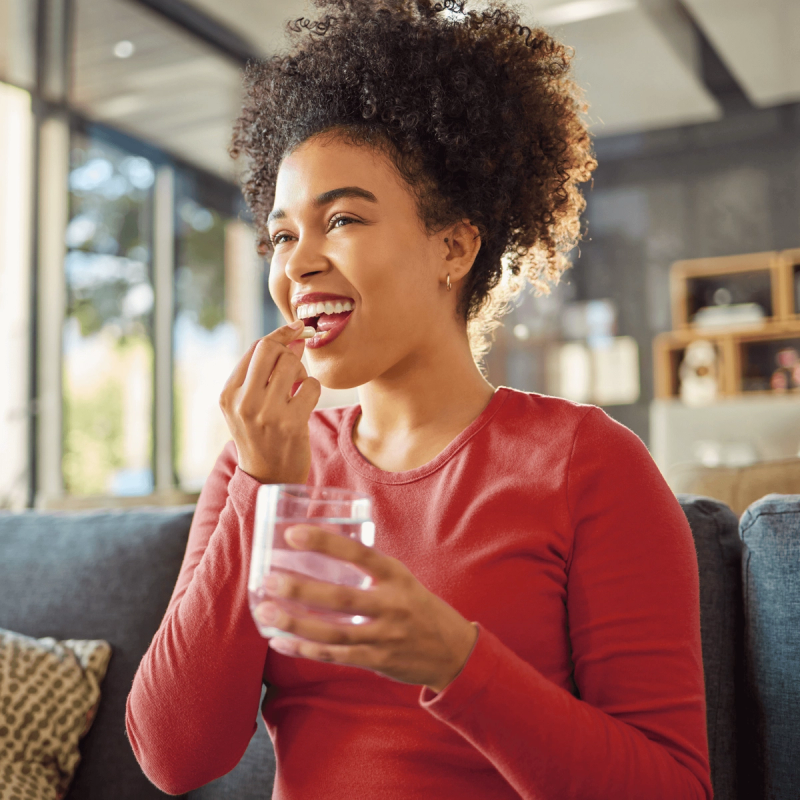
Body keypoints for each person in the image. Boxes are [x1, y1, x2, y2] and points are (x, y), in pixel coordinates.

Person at [126, 1, 713, 798]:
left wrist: (455, 661)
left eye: (341, 219)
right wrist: (263, 488)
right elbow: (175, 756)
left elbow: (673, 788)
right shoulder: (258, 462)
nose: (297, 264)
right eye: (282, 235)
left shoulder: (587, 464)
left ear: (454, 246)